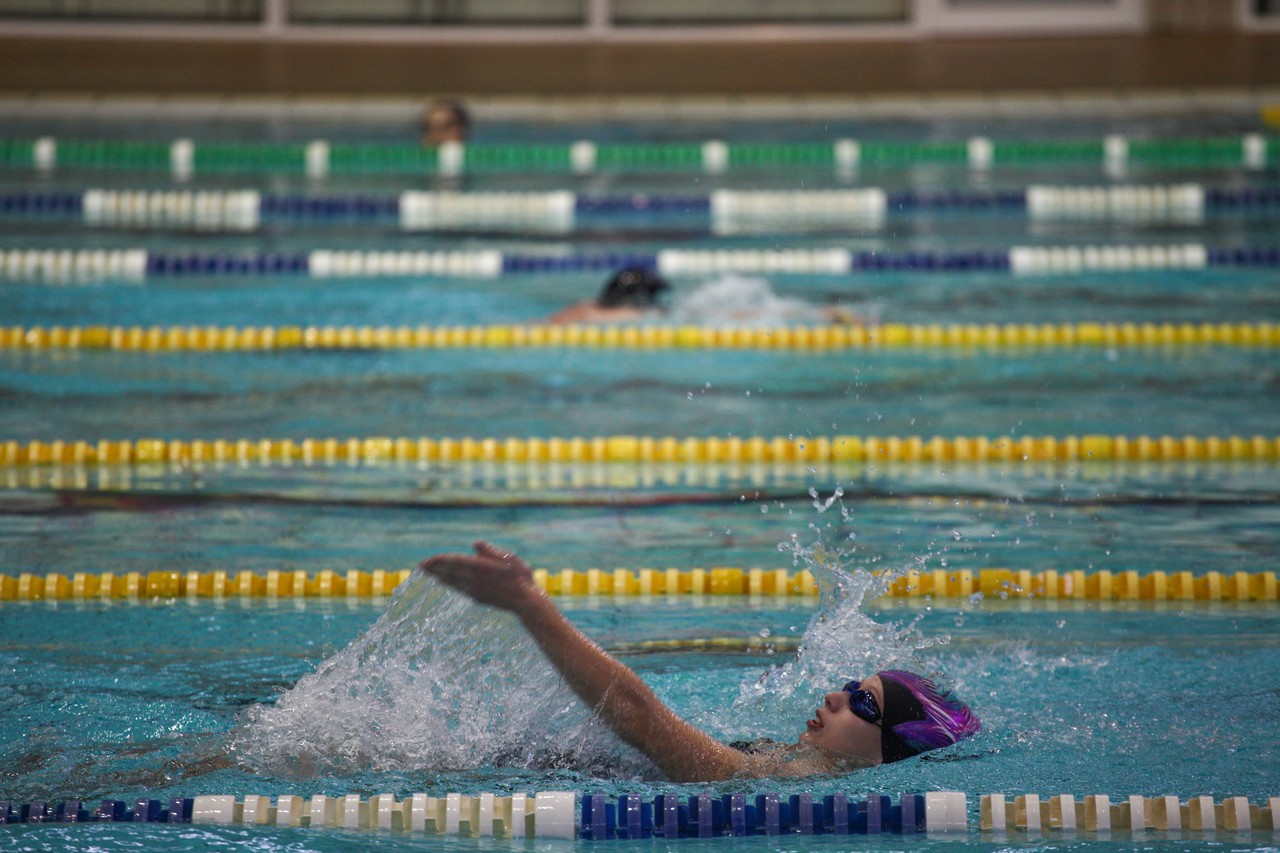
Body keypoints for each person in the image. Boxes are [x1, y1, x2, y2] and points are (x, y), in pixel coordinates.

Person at [420, 541, 981, 782]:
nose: (835, 697)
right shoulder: (778, 757)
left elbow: (640, 719)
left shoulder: (774, 782)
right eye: (848, 685)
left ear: (891, 752)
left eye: (863, 703)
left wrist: (532, 607)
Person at [547, 267, 867, 326]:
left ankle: (820, 314)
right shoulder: (655, 314)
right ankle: (820, 314)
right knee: (731, 318)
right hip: (679, 320)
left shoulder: (584, 311)